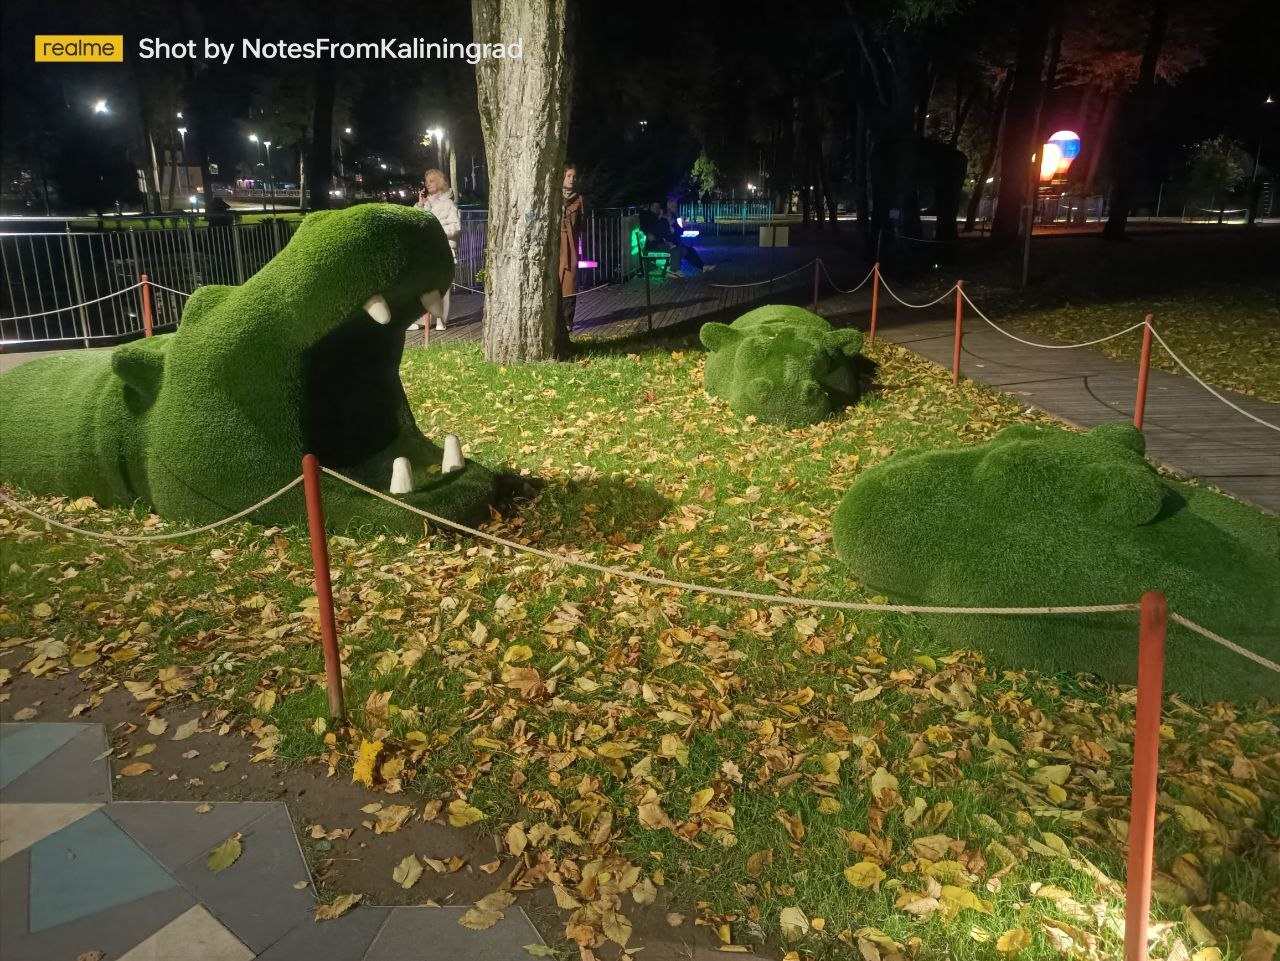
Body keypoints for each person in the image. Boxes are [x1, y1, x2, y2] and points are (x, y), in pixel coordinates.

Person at [410, 168, 461, 331]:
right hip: (425, 252)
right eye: (426, 182)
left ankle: (440, 319)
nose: (428, 184)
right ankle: (420, 320)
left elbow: (456, 227)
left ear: (440, 182)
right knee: (421, 287)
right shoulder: (425, 205)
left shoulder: (448, 204)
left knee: (442, 287)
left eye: (432, 181)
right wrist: (419, 204)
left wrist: (437, 230)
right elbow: (413, 223)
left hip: (443, 251)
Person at [639, 200, 710, 275]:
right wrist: (667, 228)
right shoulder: (653, 217)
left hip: (668, 242)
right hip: (657, 245)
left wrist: (675, 225)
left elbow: (679, 231)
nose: (657, 208)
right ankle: (675, 271)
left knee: (688, 250)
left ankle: (702, 266)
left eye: (658, 207)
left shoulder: (669, 216)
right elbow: (654, 234)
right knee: (676, 250)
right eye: (655, 206)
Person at [556, 162, 584, 355]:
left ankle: (568, 323)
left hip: (571, 247)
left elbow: (580, 225)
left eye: (574, 177)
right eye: (568, 176)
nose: (571, 180)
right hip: (557, 247)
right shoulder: (554, 198)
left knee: (570, 286)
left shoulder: (579, 200)